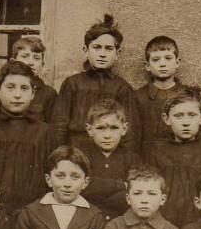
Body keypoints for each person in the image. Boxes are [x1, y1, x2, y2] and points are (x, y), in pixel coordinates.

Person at [0, 60, 56, 215]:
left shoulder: (44, 132)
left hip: (31, 213)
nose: (17, 94)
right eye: (10, 87)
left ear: (33, 94)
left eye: (24, 88)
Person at [51, 14, 138, 150]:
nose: (102, 54)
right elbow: (59, 126)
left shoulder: (122, 88)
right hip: (76, 150)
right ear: (86, 51)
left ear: (117, 54)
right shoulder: (72, 83)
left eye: (108, 49)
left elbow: (130, 132)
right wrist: (61, 156)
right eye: (97, 47)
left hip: (109, 152)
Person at [144, 87, 201, 228]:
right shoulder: (156, 152)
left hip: (200, 225)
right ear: (166, 119)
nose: (185, 122)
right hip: (163, 224)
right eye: (178, 116)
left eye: (191, 115)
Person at [82, 99, 140, 222]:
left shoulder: (132, 158)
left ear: (124, 129)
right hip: (88, 221)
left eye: (114, 128)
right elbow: (81, 188)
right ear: (89, 129)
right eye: (100, 128)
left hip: (121, 222)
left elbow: (134, 193)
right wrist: (120, 185)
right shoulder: (81, 156)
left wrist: (97, 191)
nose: (107, 135)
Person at [134, 35, 184, 153]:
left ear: (177, 62)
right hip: (148, 159)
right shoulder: (138, 97)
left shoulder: (187, 96)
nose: (162, 64)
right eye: (156, 60)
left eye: (168, 58)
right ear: (147, 65)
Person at [11, 35, 56, 123]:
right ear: (13, 61)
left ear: (42, 65)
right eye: (25, 56)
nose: (31, 63)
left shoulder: (48, 94)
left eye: (36, 58)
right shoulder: (4, 89)